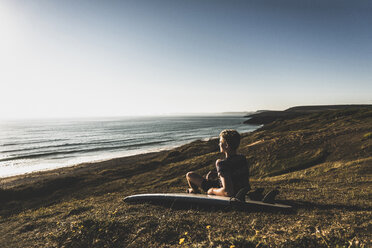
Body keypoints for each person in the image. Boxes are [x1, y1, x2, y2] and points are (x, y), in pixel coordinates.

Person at [186, 129, 250, 197]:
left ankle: (194, 191)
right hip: (241, 190)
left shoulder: (222, 163)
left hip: (222, 189)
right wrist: (218, 174)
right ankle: (193, 190)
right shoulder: (242, 158)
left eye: (220, 142)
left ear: (226, 145)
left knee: (189, 175)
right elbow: (235, 175)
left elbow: (228, 192)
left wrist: (212, 190)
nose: (219, 144)